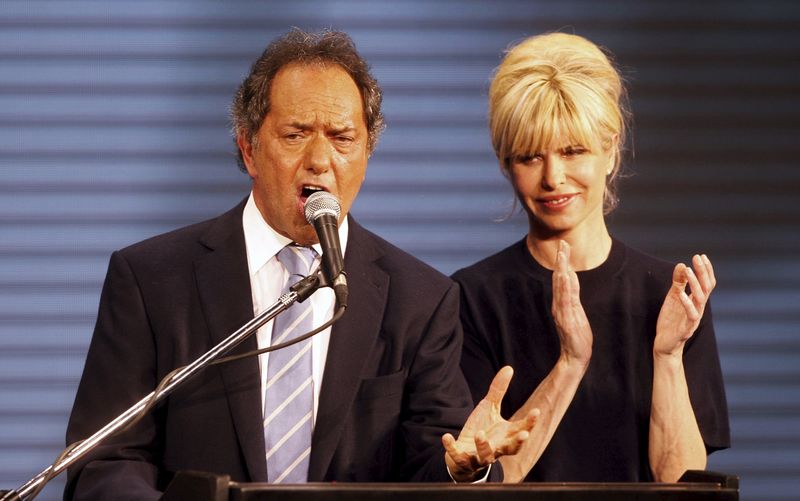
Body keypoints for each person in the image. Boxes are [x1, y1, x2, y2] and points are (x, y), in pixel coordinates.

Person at [64, 29, 536, 500]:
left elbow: (431, 464)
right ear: (249, 148)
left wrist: (463, 471)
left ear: (367, 152)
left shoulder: (421, 300)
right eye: (295, 135)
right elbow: (105, 461)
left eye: (342, 138)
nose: (320, 160)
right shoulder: (151, 280)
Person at [453, 32, 730, 484]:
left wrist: (668, 355)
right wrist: (570, 363)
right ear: (505, 162)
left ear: (611, 149)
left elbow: (679, 481)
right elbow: (489, 476)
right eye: (529, 157)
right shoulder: (470, 298)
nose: (553, 178)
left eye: (572, 151)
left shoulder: (671, 296)